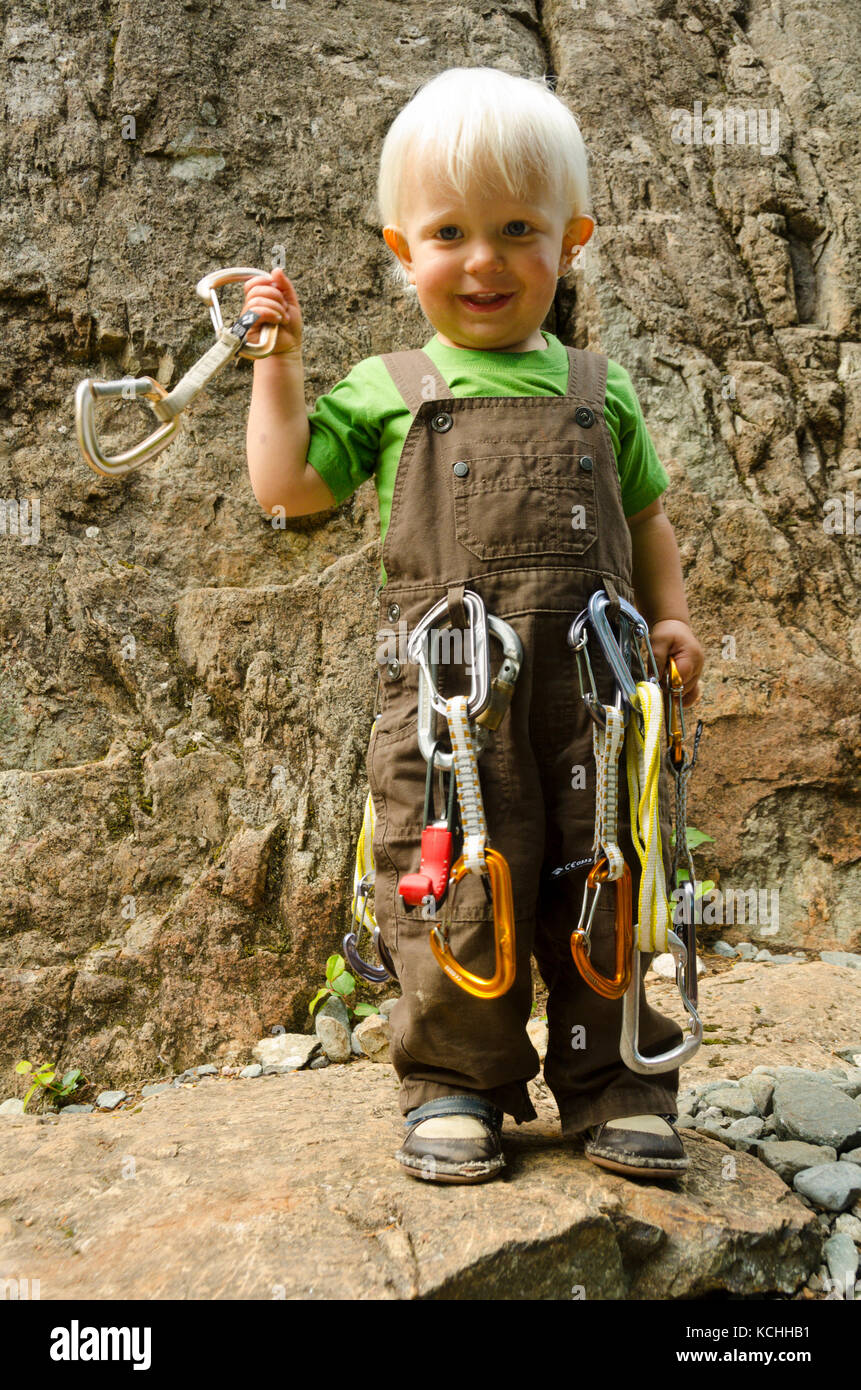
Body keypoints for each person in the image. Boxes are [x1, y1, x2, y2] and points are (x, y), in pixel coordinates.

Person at [243, 67, 705, 1186]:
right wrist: (279, 367)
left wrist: (675, 620)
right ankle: (459, 1080)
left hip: (596, 699)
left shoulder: (603, 388)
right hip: (449, 707)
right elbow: (289, 489)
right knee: (452, 878)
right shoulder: (387, 386)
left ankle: (618, 1083)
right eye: (450, 232)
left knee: (611, 872)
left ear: (572, 239)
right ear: (402, 249)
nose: (484, 260)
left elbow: (647, 520)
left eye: (517, 230)